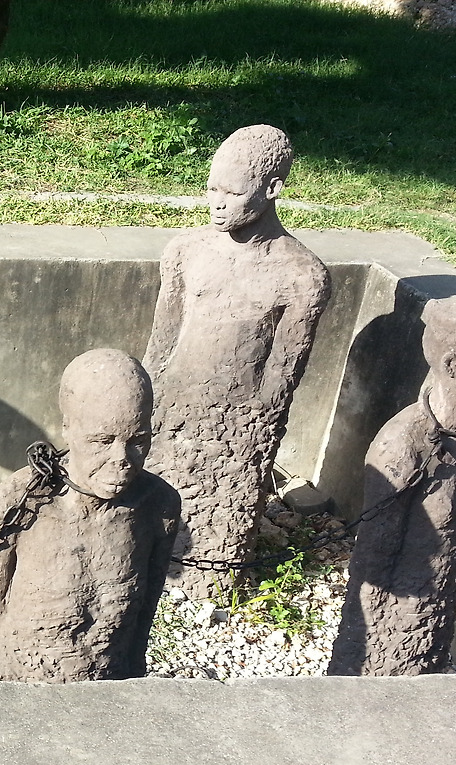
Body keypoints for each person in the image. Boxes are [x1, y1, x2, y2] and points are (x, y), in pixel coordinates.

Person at [142, 125, 332, 597]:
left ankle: (210, 573)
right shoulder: (186, 251)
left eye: (232, 193)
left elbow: (281, 378)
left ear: (272, 189)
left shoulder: (302, 275)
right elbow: (160, 343)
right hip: (173, 406)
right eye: (212, 189)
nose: (217, 203)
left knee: (215, 516)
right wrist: (149, 401)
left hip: (235, 427)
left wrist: (246, 441)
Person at [0, 349, 180, 682]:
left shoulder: (158, 506)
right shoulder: (22, 502)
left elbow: (142, 621)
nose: (121, 458)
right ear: (67, 427)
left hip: (107, 683)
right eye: (101, 441)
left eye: (138, 440)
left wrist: (133, 682)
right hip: (21, 683)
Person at [329, 299, 456, 676]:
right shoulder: (401, 448)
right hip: (389, 629)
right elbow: (370, 572)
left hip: (438, 613)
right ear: (451, 365)